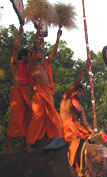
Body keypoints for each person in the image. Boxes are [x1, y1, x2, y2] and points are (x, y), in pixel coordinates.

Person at [26, 23, 63, 152]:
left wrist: (58, 38)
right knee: (37, 116)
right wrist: (38, 33)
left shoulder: (45, 64)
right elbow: (35, 46)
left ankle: (55, 137)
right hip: (38, 91)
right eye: (38, 52)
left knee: (52, 114)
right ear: (34, 55)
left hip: (47, 91)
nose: (40, 53)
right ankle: (29, 143)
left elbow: (54, 52)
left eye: (41, 52)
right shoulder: (33, 64)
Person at [60, 61, 93, 169]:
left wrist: (94, 132)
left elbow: (85, 123)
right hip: (66, 128)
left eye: (82, 92)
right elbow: (75, 83)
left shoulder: (80, 108)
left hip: (78, 128)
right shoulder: (66, 98)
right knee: (75, 140)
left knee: (92, 141)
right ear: (73, 91)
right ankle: (74, 165)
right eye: (79, 91)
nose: (81, 94)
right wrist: (84, 70)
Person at [7, 25, 33, 154]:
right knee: (15, 119)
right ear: (24, 56)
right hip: (17, 92)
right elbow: (15, 49)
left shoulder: (27, 66)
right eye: (28, 56)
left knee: (29, 118)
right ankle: (9, 146)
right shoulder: (15, 65)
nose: (30, 58)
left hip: (26, 94)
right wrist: (19, 34)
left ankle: (27, 144)